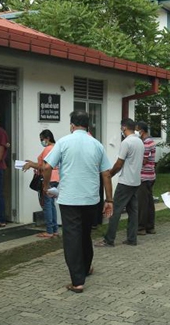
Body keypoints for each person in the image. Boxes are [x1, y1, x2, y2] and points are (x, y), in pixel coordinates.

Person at [42, 110, 113, 293]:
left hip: (69, 198)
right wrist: (109, 200)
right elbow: (106, 173)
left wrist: (46, 186)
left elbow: (47, 166)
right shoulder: (97, 145)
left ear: (72, 125)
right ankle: (86, 267)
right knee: (85, 234)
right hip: (91, 198)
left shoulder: (64, 142)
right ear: (88, 125)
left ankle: (77, 281)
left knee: (72, 237)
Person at [96, 119, 144, 248]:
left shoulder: (126, 142)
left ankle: (109, 239)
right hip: (135, 181)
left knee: (115, 209)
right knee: (133, 210)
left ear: (124, 128)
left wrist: (110, 174)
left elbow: (119, 163)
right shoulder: (139, 141)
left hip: (125, 181)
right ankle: (132, 238)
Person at [22, 130, 60, 238]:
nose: (41, 141)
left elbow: (44, 167)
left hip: (49, 178)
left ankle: (49, 231)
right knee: (51, 204)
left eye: (42, 139)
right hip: (56, 178)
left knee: (47, 204)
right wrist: (31, 163)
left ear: (47, 138)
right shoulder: (56, 147)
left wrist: (31, 165)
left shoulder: (48, 149)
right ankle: (54, 230)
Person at [136, 121, 156, 235]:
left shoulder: (146, 143)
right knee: (149, 202)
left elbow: (144, 160)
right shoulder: (150, 141)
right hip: (150, 175)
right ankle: (150, 226)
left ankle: (141, 227)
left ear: (141, 131)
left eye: (137, 130)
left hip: (144, 176)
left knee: (142, 203)